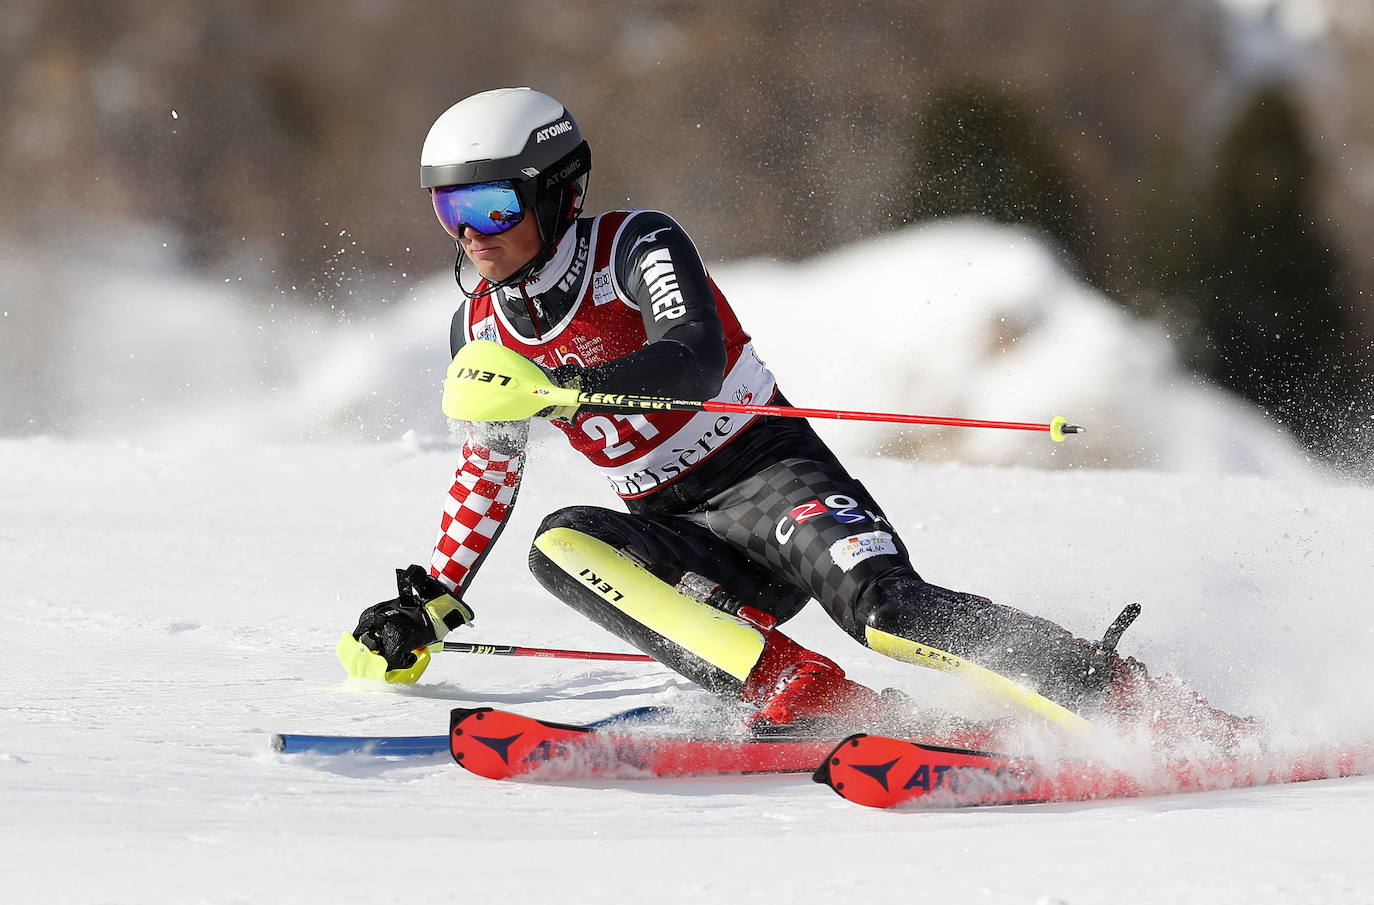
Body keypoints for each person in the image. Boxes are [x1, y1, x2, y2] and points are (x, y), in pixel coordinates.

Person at [345, 87, 1250, 745]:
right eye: (448, 208)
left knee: (888, 614)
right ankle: (800, 693)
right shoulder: (479, 324)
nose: (469, 231)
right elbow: (485, 470)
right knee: (561, 543)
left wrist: (578, 388)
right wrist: (431, 600)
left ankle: (1118, 694)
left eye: (489, 202)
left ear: (555, 192)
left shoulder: (633, 242)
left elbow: (692, 348)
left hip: (772, 474)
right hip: (682, 531)